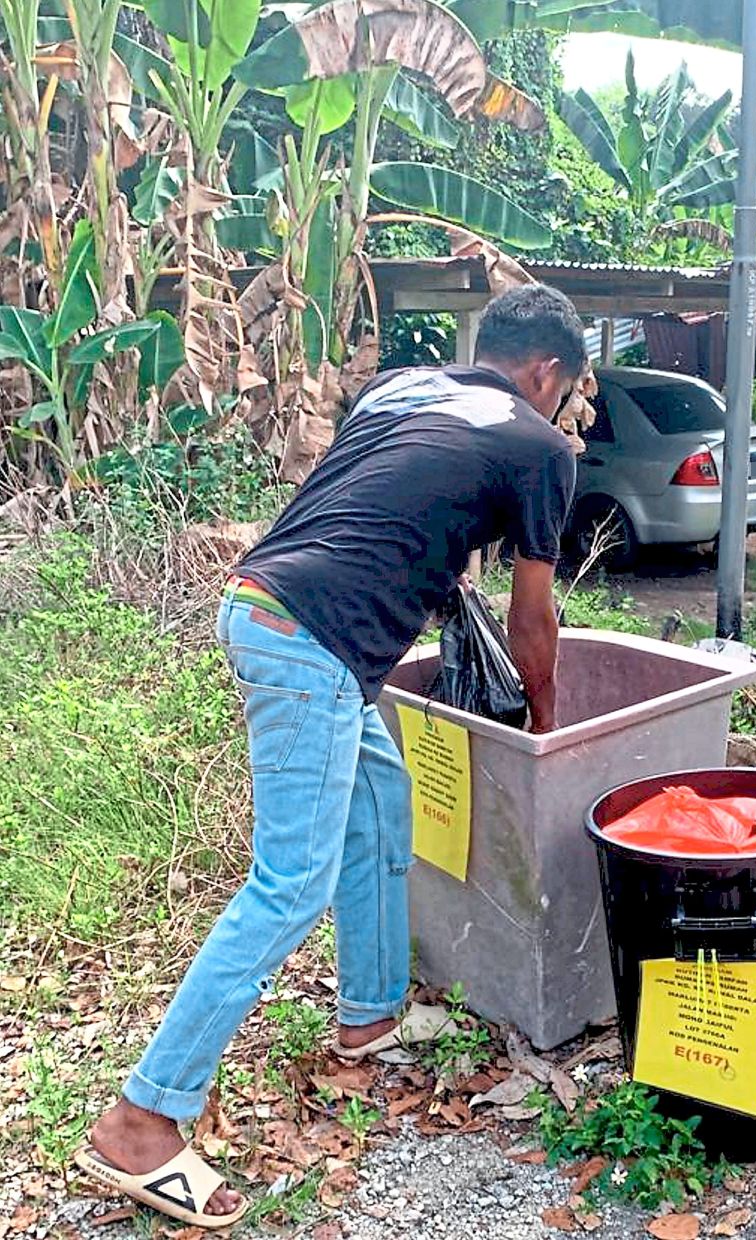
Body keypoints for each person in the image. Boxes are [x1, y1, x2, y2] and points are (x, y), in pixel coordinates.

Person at [75, 284, 587, 1227]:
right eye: (567, 394)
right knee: (290, 882)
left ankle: (371, 1011)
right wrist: (543, 725)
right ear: (548, 373)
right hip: (312, 641)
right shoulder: (538, 444)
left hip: (268, 604)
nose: (564, 413)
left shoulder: (401, 389)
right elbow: (532, 619)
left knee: (381, 797)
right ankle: (142, 1120)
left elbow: (398, 510)